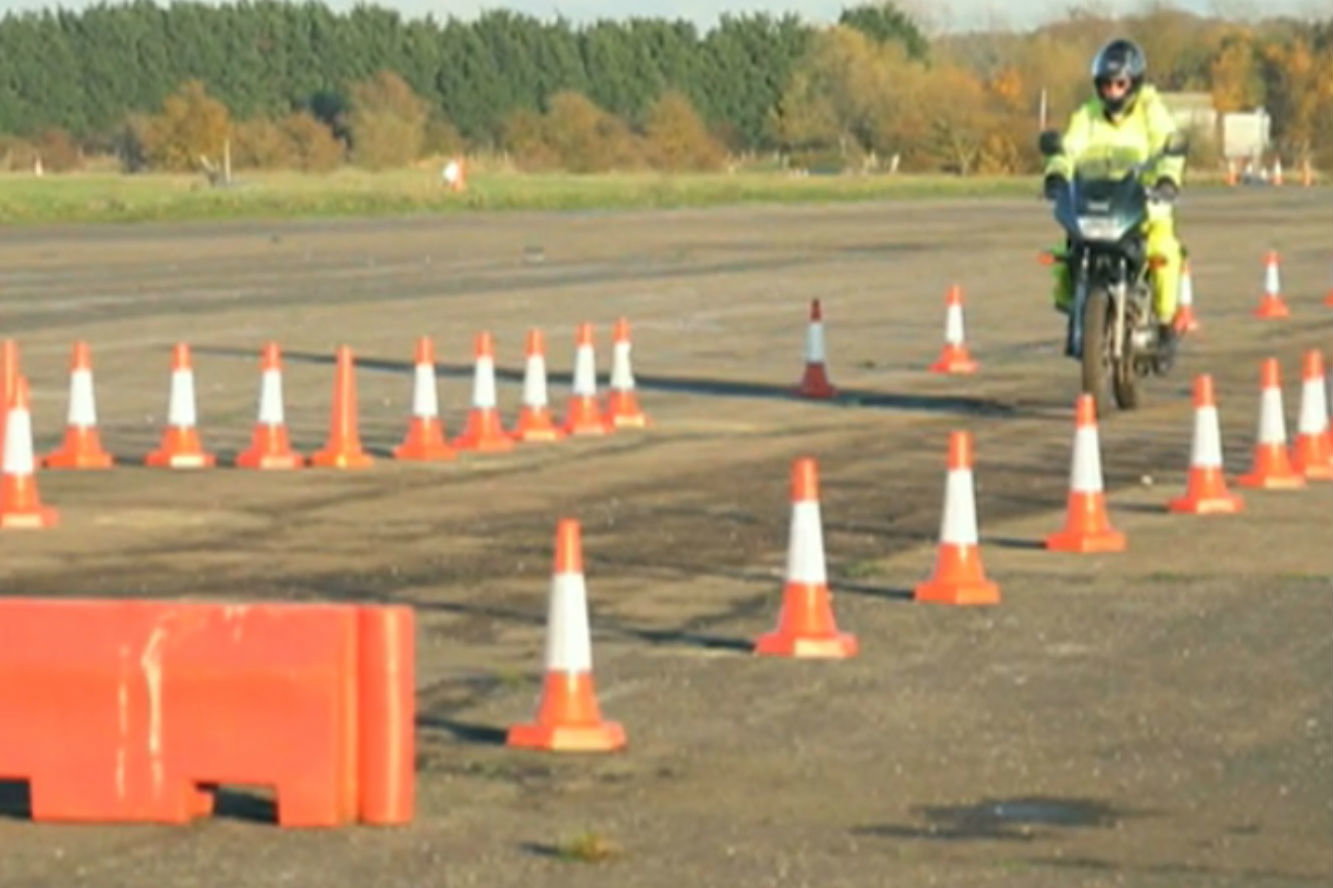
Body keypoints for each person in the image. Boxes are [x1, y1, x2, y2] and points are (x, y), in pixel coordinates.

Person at [1043, 38, 1185, 348]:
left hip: (1145, 200)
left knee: (1163, 250)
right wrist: (1056, 173)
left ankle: (1164, 323)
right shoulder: (1088, 114)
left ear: (1134, 82)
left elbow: (1167, 144)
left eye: (1120, 84)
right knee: (1066, 250)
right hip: (1097, 199)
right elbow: (1069, 148)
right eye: (1106, 85)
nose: (1113, 92)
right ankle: (1074, 306)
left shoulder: (1150, 109)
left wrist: (1167, 179)